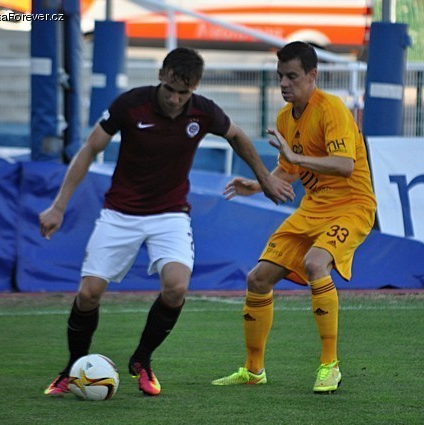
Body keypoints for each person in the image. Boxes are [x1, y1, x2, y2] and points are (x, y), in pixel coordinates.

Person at [40, 47, 295, 397]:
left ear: (195, 88)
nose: (175, 99)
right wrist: (58, 207)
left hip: (170, 215)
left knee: (176, 287)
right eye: (171, 89)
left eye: (183, 93)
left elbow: (237, 136)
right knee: (88, 294)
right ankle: (73, 369)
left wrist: (264, 179)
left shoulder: (204, 111)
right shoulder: (130, 104)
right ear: (161, 75)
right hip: (120, 213)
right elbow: (89, 150)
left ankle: (142, 360)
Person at [211, 41, 376, 393]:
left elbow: (344, 166)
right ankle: (253, 370)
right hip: (313, 208)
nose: (284, 84)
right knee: (258, 279)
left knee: (316, 263)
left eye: (292, 76)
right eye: (280, 77)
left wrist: (297, 160)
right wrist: (258, 184)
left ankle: (330, 366)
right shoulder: (285, 118)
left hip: (352, 206)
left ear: (312, 75)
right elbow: (288, 170)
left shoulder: (332, 109)